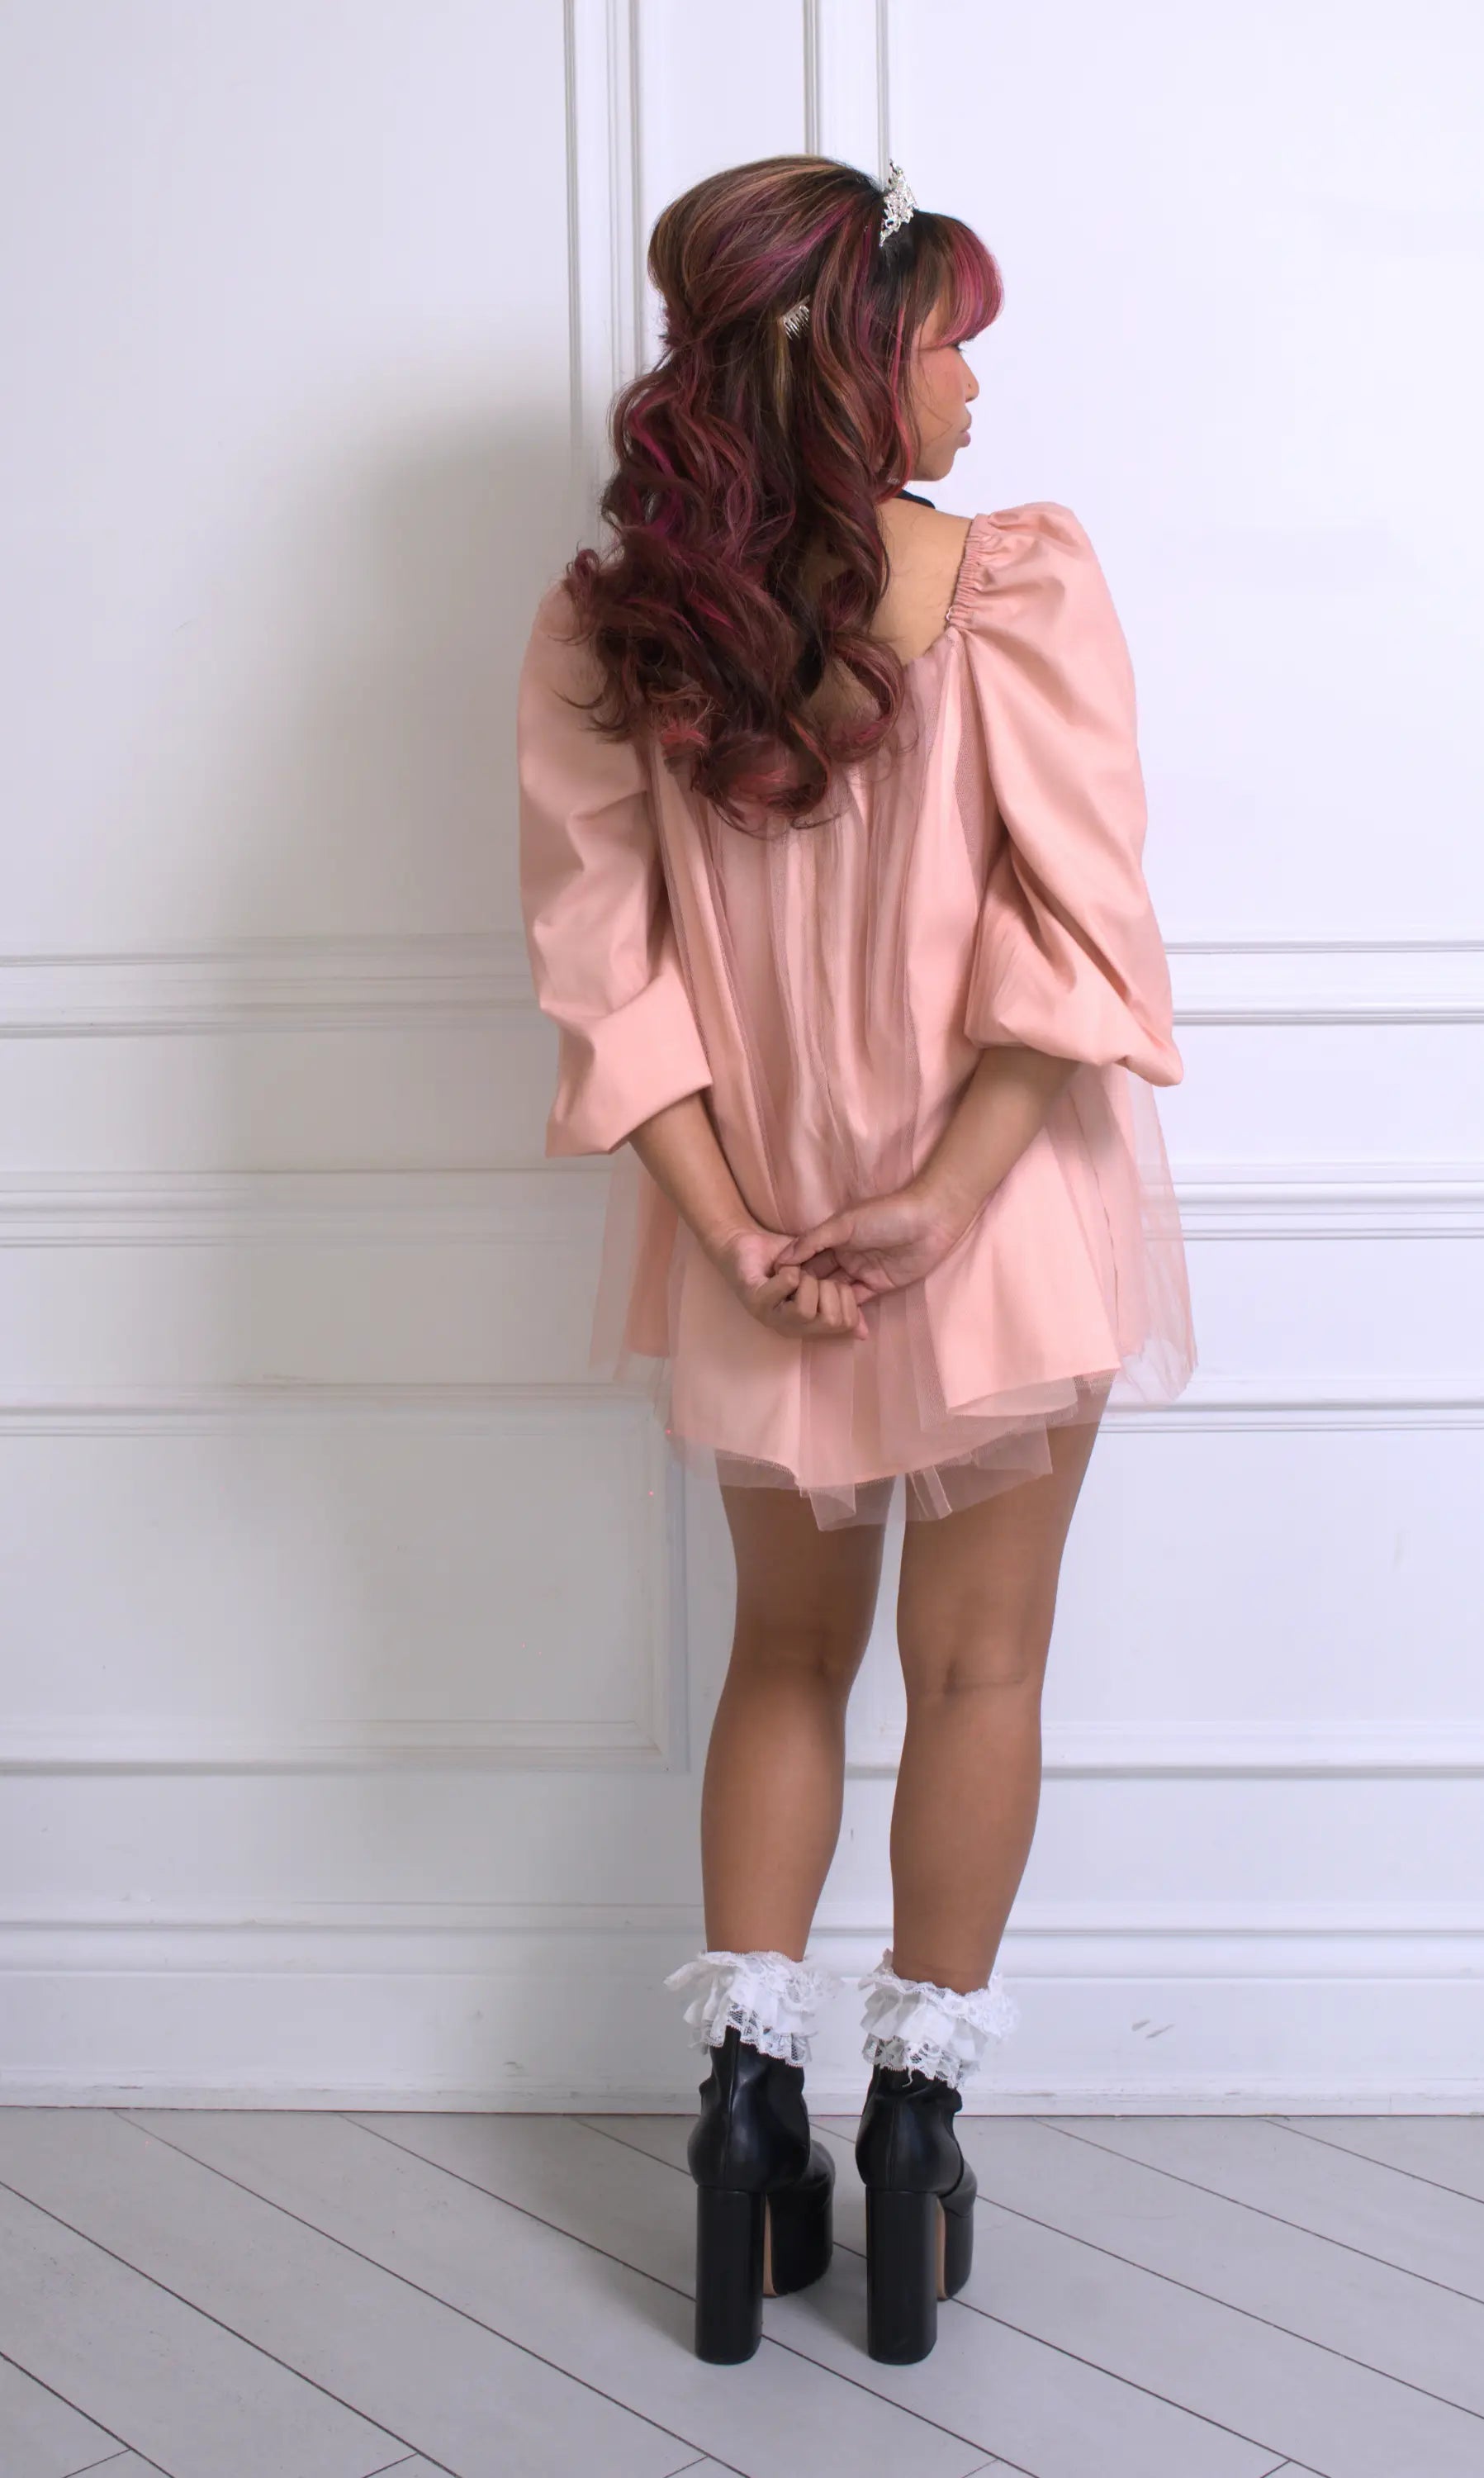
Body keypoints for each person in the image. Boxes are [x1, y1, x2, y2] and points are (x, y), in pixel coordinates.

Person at [517, 153, 1195, 2365]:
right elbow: (1079, 937)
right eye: (950, 340)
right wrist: (953, 1192)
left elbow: (605, 976)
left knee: (783, 1659)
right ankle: (914, 2142)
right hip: (992, 1210)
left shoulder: (616, 630)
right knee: (980, 1673)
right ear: (848, 360)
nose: (981, 385)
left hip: (763, 1228)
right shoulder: (1015, 588)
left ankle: (742, 2127)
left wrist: (733, 1231)